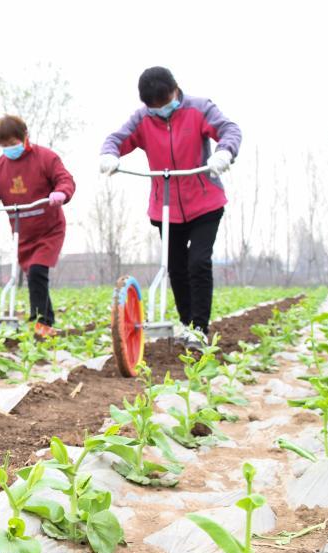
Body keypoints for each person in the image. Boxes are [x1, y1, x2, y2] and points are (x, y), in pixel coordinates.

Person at [99, 66, 242, 348]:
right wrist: (109, 155)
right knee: (175, 267)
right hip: (165, 206)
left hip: (205, 202)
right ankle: (188, 324)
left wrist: (225, 151)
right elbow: (117, 138)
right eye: (153, 107)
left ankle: (200, 328)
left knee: (198, 262)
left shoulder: (199, 109)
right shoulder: (142, 119)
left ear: (176, 90)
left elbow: (229, 129)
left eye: (164, 103)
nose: (160, 110)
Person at [0, 114, 75, 336]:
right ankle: (46, 323)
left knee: (38, 270)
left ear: (25, 136)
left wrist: (60, 193)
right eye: (4, 145)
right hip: (22, 231)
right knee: (34, 277)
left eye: (13, 143)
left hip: (49, 228)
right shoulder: (0, 166)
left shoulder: (46, 158)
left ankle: (40, 322)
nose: (10, 149)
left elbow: (65, 179)